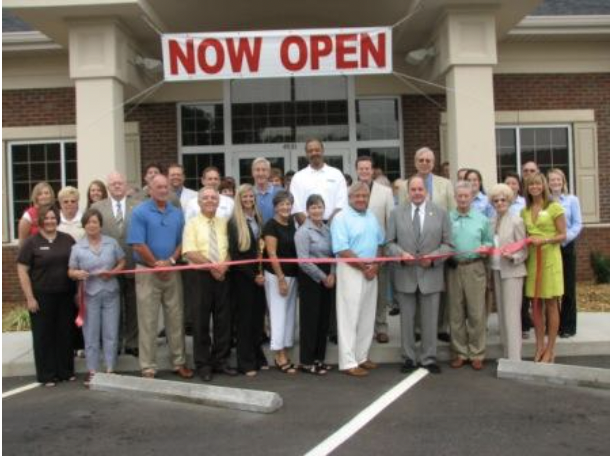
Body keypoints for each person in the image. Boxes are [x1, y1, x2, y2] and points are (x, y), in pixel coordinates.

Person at [127, 174, 193, 379]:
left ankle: (179, 362)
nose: (164, 190)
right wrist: (156, 264)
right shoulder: (139, 212)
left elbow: (183, 241)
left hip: (172, 271)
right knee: (148, 320)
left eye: (166, 187)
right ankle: (148, 366)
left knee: (176, 318)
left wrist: (171, 262)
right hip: (147, 271)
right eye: (159, 187)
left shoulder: (176, 212)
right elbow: (137, 243)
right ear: (150, 189)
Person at [386, 176, 452, 375]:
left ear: (426, 191)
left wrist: (432, 258)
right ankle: (408, 357)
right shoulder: (396, 213)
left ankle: (429, 358)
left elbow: (448, 245)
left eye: (420, 189)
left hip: (430, 273)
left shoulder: (440, 213)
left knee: (430, 320)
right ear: (407, 192)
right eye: (412, 189)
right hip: (405, 274)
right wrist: (400, 255)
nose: (416, 193)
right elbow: (389, 243)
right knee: (406, 321)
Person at [16, 205, 76, 387]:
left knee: (65, 334)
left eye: (53, 218)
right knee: (44, 336)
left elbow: (76, 264)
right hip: (41, 296)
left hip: (66, 295)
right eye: (46, 218)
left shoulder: (68, 240)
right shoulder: (31, 243)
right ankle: (47, 374)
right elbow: (22, 271)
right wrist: (30, 297)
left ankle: (65, 371)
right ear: (40, 221)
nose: (50, 221)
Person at [183, 187, 237, 382]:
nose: (210, 201)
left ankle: (220, 361)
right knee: (201, 322)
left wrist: (224, 267)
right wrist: (213, 267)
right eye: (205, 198)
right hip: (200, 278)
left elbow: (230, 250)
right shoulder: (192, 224)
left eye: (214, 198)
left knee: (224, 321)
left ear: (218, 202)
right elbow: (190, 252)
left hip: (223, 277)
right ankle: (203, 364)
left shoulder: (224, 223)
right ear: (198, 202)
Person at [331, 182, 385, 377]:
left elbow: (380, 243)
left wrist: (376, 265)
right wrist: (364, 267)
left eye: (365, 196)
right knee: (349, 316)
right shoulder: (341, 218)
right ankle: (348, 362)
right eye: (358, 196)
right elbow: (342, 249)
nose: (362, 199)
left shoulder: (371, 217)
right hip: (351, 270)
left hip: (371, 270)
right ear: (350, 197)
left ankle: (362, 356)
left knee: (366, 315)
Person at [68, 209, 126, 385]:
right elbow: (70, 271)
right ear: (84, 225)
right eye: (88, 222)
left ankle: (110, 368)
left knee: (110, 332)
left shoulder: (112, 243)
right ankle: (92, 370)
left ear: (100, 224)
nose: (92, 225)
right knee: (91, 333)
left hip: (111, 293)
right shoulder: (77, 248)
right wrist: (78, 273)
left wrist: (113, 272)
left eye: (95, 222)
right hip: (89, 295)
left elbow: (122, 262)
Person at [91, 172, 140, 357]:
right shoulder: (97, 207)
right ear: (108, 187)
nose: (117, 186)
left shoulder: (138, 206)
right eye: (113, 184)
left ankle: (133, 342)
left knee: (133, 306)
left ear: (126, 185)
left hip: (134, 263)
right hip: (108, 267)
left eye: (120, 183)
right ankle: (115, 342)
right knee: (113, 308)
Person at [448, 180, 493, 371]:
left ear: (472, 197)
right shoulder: (448, 218)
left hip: (475, 267)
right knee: (456, 313)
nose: (463, 199)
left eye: (466, 196)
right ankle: (460, 353)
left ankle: (476, 353)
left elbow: (489, 241)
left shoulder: (481, 219)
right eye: (460, 196)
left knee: (476, 313)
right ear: (455, 198)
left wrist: (487, 248)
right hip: (454, 268)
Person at [522, 172, 567, 363]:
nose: (534, 187)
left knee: (551, 304)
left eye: (538, 184)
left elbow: (563, 234)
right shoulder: (524, 210)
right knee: (536, 305)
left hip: (550, 259)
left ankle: (551, 348)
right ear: (527, 188)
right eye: (531, 184)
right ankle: (539, 345)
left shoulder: (554, 207)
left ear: (544, 186)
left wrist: (545, 240)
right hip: (533, 259)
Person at [228, 184, 268, 376]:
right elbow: (236, 257)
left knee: (257, 320)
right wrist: (254, 277)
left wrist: (261, 275)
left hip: (259, 277)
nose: (248, 199)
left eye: (251, 196)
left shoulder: (258, 219)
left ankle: (257, 356)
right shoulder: (234, 223)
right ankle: (246, 362)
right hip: (243, 279)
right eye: (244, 197)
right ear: (239, 199)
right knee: (244, 321)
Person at [355, 156, 394, 344]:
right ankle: (364, 328)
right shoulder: (349, 192)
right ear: (356, 171)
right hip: (358, 253)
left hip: (379, 250)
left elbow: (390, 222)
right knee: (360, 292)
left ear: (372, 171)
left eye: (367, 169)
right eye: (361, 169)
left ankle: (381, 327)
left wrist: (386, 250)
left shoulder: (385, 192)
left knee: (380, 292)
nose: (364, 172)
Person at [295, 195, 335, 375]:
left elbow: (334, 254)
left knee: (323, 320)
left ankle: (319, 359)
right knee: (310, 321)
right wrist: (322, 276)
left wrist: (332, 274)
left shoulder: (327, 230)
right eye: (313, 208)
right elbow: (303, 261)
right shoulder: (303, 232)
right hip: (310, 278)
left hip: (328, 276)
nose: (317, 211)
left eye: (320, 207)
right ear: (307, 210)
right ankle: (306, 361)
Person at [488, 184, 528, 361]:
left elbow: (525, 250)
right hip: (496, 270)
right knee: (503, 316)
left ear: (509, 200)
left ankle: (515, 359)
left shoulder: (516, 221)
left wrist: (513, 256)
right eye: (496, 200)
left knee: (512, 316)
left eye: (503, 199)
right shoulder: (492, 221)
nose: (499, 203)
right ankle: (506, 355)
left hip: (512, 272)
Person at [263, 190, 299, 374]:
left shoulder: (292, 223)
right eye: (282, 204)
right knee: (278, 315)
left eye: (288, 204)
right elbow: (271, 253)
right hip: (277, 276)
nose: (286, 207)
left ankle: (285, 347)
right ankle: (279, 355)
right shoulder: (270, 226)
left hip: (293, 275)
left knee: (289, 315)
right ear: (275, 207)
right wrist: (281, 278)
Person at [548, 168, 583, 338]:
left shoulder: (572, 200)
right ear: (547, 183)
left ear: (563, 182)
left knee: (568, 287)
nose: (555, 183)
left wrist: (564, 238)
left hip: (566, 246)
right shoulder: (545, 201)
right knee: (552, 288)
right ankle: (553, 325)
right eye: (552, 180)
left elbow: (577, 224)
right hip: (549, 247)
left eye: (558, 180)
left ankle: (568, 326)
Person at [290, 138, 348, 225]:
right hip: (306, 229)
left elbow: (341, 205)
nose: (314, 153)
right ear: (306, 154)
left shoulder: (336, 174)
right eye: (310, 151)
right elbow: (296, 208)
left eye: (317, 150)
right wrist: (312, 229)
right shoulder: (298, 177)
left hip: (333, 226)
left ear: (323, 151)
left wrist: (327, 229)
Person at [252, 157, 282, 224]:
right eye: (257, 170)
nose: (260, 173)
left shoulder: (280, 193)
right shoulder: (248, 194)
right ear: (252, 173)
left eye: (264, 170)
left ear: (269, 173)